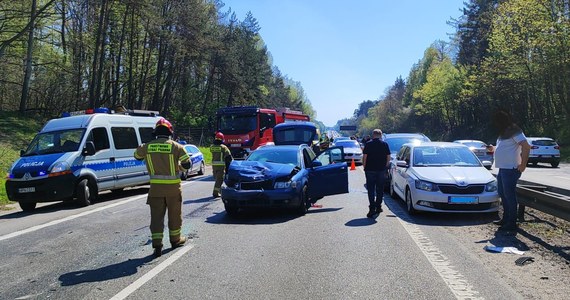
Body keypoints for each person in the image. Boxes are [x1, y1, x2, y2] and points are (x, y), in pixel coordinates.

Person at [134, 118, 191, 257]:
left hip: (155, 190)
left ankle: (157, 245)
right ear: (170, 132)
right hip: (173, 190)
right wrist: (180, 168)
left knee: (156, 218)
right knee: (174, 216)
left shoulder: (147, 146)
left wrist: (147, 145)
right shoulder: (177, 147)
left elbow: (136, 156)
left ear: (156, 132)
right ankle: (175, 240)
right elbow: (187, 164)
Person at [492, 109, 530, 232]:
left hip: (511, 169)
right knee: (503, 194)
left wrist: (523, 165)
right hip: (503, 169)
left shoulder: (514, 130)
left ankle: (512, 222)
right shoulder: (503, 132)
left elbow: (526, 146)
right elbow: (504, 148)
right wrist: (492, 148)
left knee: (509, 196)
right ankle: (506, 219)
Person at [362, 129, 391, 218]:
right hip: (381, 170)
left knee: (371, 189)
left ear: (373, 135)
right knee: (380, 189)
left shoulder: (368, 144)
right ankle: (378, 206)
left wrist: (364, 167)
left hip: (370, 170)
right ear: (381, 135)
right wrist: (385, 167)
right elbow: (388, 157)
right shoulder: (385, 144)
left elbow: (365, 157)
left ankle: (372, 208)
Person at [210, 132, 233, 198]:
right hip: (221, 166)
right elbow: (228, 157)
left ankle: (219, 191)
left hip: (214, 166)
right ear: (222, 139)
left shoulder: (212, 147)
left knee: (217, 179)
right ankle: (215, 193)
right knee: (220, 179)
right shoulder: (223, 147)